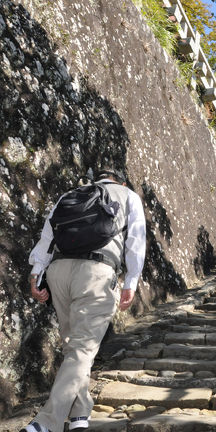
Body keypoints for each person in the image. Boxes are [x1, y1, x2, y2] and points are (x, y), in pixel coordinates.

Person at [23, 168, 146, 432]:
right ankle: (46, 423)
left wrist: (36, 274)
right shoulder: (128, 195)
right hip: (96, 274)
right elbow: (136, 240)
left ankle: (79, 414)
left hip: (59, 273)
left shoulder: (71, 194)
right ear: (120, 181)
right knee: (81, 350)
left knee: (74, 349)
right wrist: (131, 281)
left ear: (97, 179)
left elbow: (48, 237)